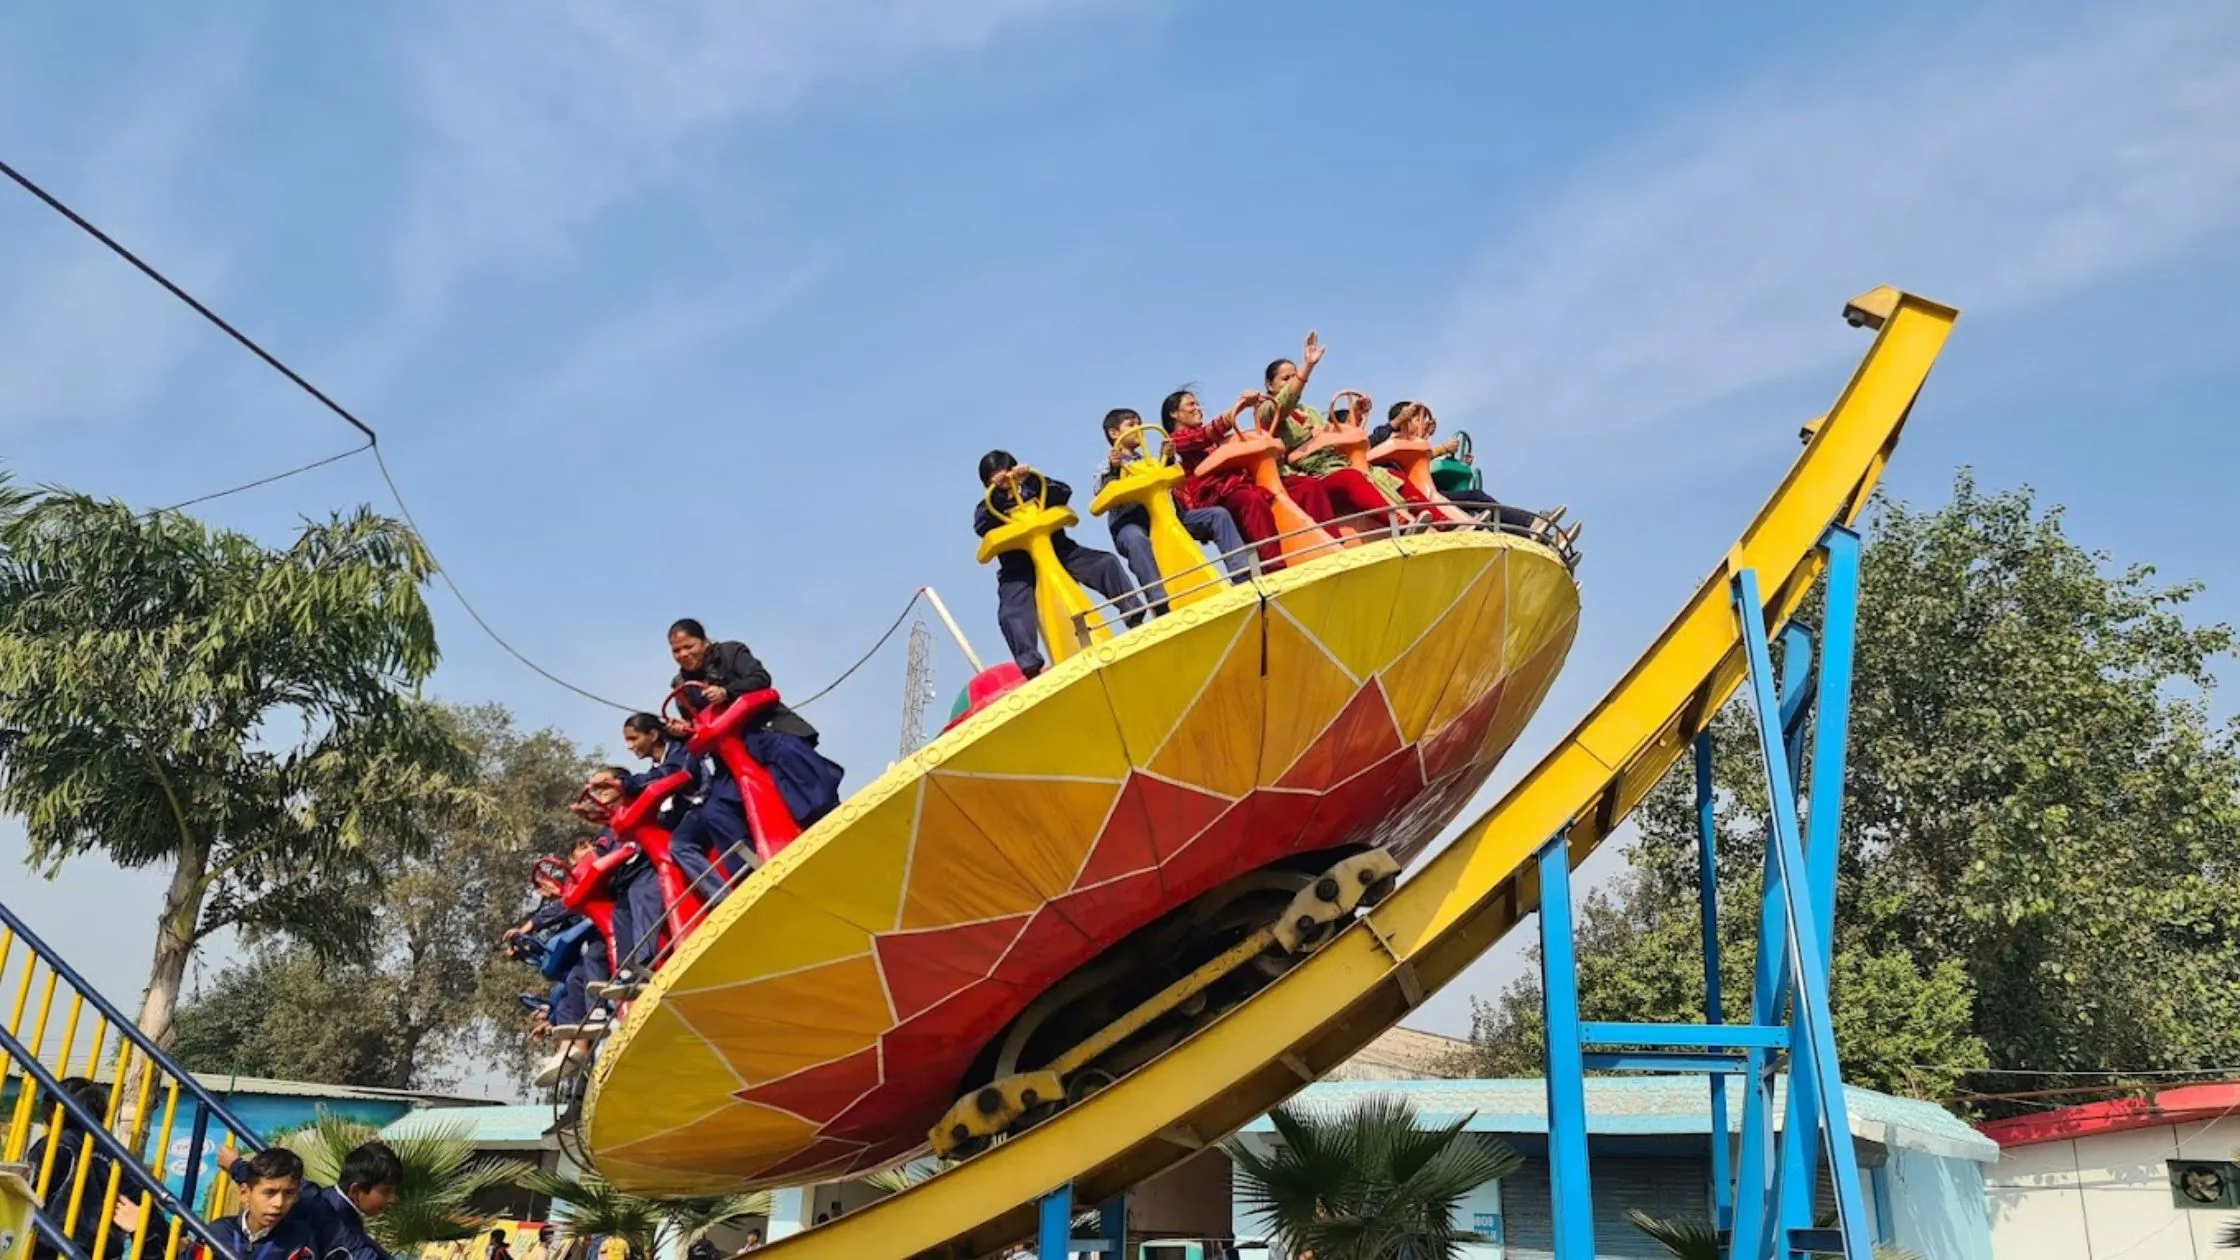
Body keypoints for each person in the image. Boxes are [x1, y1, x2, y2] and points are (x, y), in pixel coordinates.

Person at [973, 451, 1145, 677]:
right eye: (995, 478)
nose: (1005, 481)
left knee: (1105, 563)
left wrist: (1031, 478)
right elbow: (981, 525)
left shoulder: (1036, 487)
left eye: (1007, 473)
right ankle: (1030, 664)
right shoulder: (988, 507)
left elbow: (1063, 493)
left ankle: (1133, 611)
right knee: (1011, 611)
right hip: (1018, 568)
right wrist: (997, 496)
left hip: (1061, 550)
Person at [667, 619, 847, 831]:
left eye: (689, 646)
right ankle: (751, 859)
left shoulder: (730, 652)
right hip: (729, 755)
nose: (684, 655)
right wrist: (683, 731)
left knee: (788, 753)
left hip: (763, 729)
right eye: (677, 651)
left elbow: (760, 678)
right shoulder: (682, 689)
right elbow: (696, 728)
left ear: (704, 641)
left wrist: (727, 692)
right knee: (716, 810)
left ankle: (827, 816)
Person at [1161, 388, 1337, 570]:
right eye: (1191, 404)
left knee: (1306, 486)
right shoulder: (1177, 442)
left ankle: (1332, 542)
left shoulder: (1219, 440)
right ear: (1174, 413)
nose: (1198, 408)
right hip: (1219, 495)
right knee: (1250, 500)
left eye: (1198, 404)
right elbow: (1206, 435)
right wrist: (1240, 407)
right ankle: (1274, 565)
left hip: (1246, 482)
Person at [1259, 334, 1422, 528]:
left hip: (1337, 461)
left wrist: (1357, 413)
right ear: (1270, 385)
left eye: (1294, 377)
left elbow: (1337, 435)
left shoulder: (1309, 411)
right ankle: (1398, 521)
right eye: (1286, 378)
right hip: (1313, 473)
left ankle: (1440, 519)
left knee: (1392, 476)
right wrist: (1307, 367)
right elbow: (1285, 402)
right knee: (1350, 478)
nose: (1293, 381)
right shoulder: (1267, 411)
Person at [1093, 408, 1249, 609]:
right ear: (1115, 433)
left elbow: (1170, 478)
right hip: (1132, 521)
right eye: (1132, 425)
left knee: (1216, 515)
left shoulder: (1149, 461)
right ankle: (1160, 601)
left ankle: (1242, 573)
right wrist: (1114, 469)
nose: (1139, 428)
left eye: (1140, 423)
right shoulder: (1106, 465)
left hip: (1168, 515)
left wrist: (1167, 457)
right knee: (1135, 540)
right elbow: (1104, 493)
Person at [620, 712, 733, 905]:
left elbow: (669, 774)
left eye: (634, 739)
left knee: (680, 846)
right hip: (688, 812)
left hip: (703, 806)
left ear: (653, 736)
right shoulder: (657, 767)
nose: (629, 746)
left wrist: (622, 783)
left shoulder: (680, 754)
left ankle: (722, 897)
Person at [27, 1076, 141, 1260]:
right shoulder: (114, 1154)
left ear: (55, 1111)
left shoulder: (53, 1145)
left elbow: (28, 1191)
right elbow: (138, 1199)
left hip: (54, 1246)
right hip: (103, 1248)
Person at [202, 1149, 315, 1260]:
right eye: (269, 1192)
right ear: (244, 1193)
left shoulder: (301, 1242)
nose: (279, 1203)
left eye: (289, 1193)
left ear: (297, 1196)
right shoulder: (218, 1232)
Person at [298, 1140, 403, 1260]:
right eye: (386, 1191)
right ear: (355, 1191)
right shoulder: (336, 1225)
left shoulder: (316, 1198)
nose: (393, 1199)